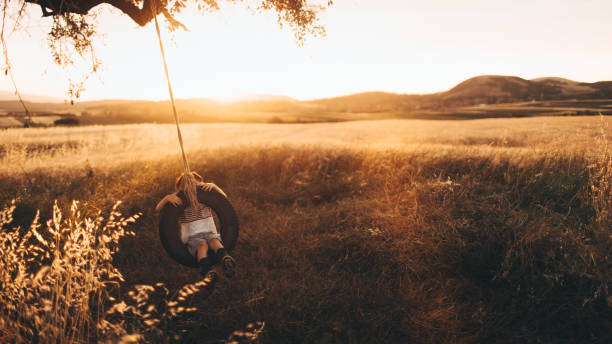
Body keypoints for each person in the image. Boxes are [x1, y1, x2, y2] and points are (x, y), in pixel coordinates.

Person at [155, 172, 236, 281]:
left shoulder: (206, 197)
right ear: (180, 190)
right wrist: (167, 198)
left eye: (196, 185)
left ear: (201, 184)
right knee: (202, 245)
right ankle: (207, 272)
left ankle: (225, 260)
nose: (192, 190)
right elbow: (158, 209)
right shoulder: (179, 201)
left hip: (209, 233)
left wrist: (214, 187)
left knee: (214, 241)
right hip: (193, 238)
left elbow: (224, 201)